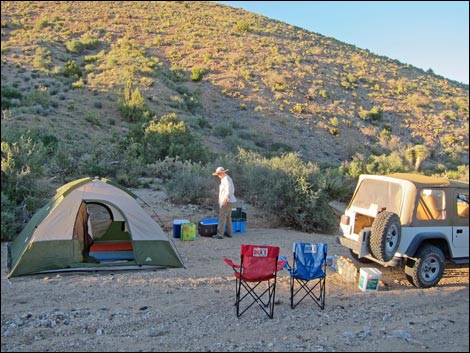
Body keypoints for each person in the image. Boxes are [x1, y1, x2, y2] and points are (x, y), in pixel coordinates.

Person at [212, 166, 237, 239]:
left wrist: (226, 199)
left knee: (222, 217)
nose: (218, 175)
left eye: (219, 174)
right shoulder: (226, 178)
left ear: (221, 173)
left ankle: (220, 234)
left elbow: (228, 190)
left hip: (226, 201)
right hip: (229, 201)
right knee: (228, 217)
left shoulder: (226, 179)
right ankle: (229, 233)